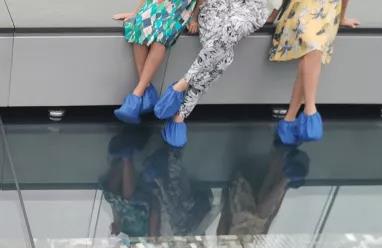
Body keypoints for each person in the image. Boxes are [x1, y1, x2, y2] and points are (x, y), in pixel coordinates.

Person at [153, 0, 282, 148]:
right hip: (215, 7)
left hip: (249, 9)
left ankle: (183, 84)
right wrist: (194, 17)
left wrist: (271, 17)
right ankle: (180, 116)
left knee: (234, 26)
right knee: (224, 58)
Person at [270, 0, 359, 144]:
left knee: (313, 51)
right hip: (302, 10)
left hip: (327, 14)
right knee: (313, 45)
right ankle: (310, 110)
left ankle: (290, 119)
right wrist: (273, 14)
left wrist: (342, 18)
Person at [112, 0, 200, 124]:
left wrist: (194, 19)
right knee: (138, 27)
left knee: (160, 37)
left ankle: (137, 95)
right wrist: (135, 12)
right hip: (157, 3)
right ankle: (146, 90)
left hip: (179, 7)